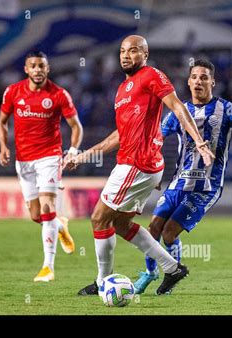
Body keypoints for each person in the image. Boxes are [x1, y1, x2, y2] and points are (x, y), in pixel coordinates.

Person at [65, 35, 215, 296]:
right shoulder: (122, 90)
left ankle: (103, 282)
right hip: (139, 164)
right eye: (123, 50)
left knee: (99, 218)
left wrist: (199, 142)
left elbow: (178, 108)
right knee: (121, 225)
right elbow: (119, 135)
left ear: (145, 55)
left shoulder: (151, 76)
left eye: (133, 50)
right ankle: (172, 268)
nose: (126, 55)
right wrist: (84, 156)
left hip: (137, 163)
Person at [133, 59, 232, 294]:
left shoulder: (226, 109)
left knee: (169, 232)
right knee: (153, 228)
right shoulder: (179, 112)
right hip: (178, 183)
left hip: (206, 187)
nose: (199, 81)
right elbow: (155, 141)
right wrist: (153, 169)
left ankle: (171, 276)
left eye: (204, 77)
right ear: (188, 82)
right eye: (195, 77)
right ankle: (150, 273)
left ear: (213, 82)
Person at [0, 51, 83, 282]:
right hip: (23, 160)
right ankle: (60, 225)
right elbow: (2, 123)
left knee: (46, 208)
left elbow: (76, 126)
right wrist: (4, 147)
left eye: (41, 66)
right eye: (33, 66)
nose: (37, 69)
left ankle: (48, 267)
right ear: (26, 69)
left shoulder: (59, 95)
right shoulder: (13, 92)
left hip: (49, 157)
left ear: (48, 69)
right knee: (37, 215)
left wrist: (73, 151)